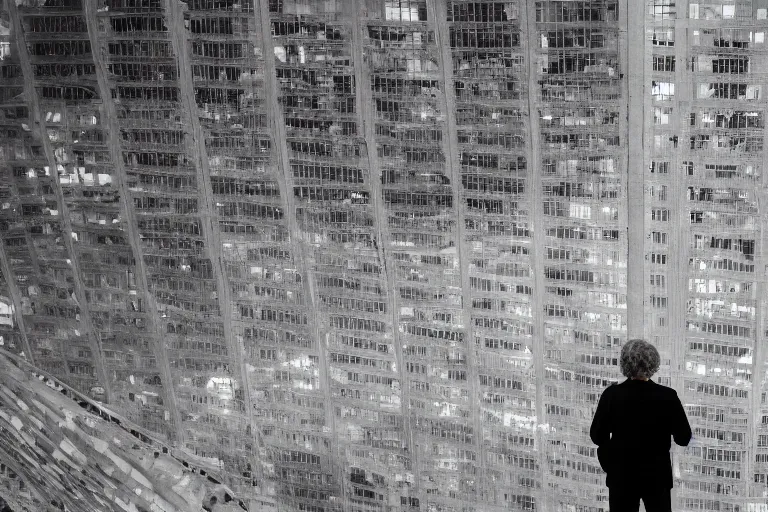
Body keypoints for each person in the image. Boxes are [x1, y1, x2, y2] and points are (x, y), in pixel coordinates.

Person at [590, 339, 692, 512]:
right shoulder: (667, 396)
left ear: (624, 363)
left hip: (622, 476)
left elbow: (597, 436)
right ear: (653, 363)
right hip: (657, 476)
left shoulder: (611, 395)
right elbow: (683, 438)